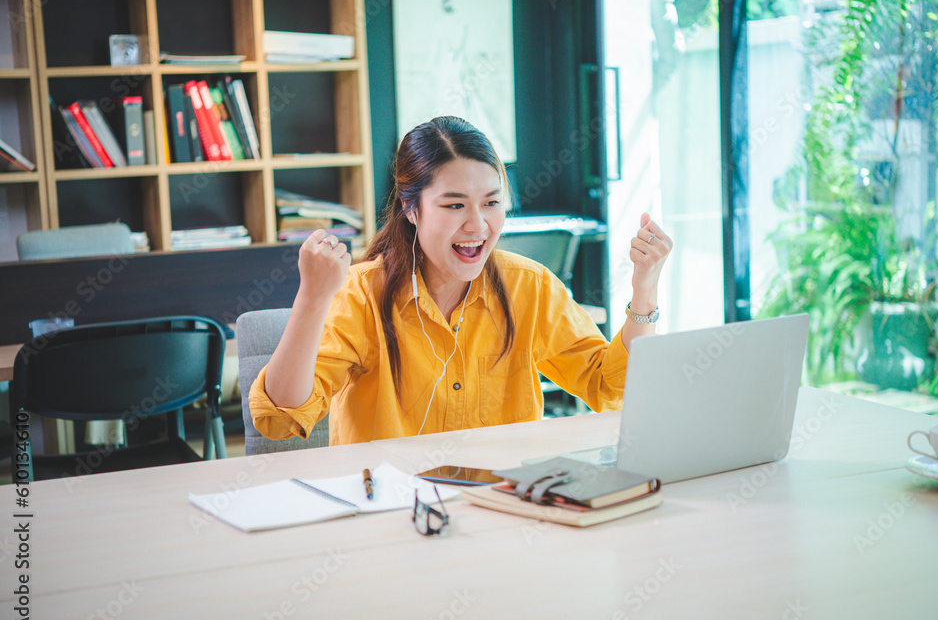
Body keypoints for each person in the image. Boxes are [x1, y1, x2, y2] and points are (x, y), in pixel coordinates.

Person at [250, 116, 672, 445]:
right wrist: (312, 297)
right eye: (454, 205)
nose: (478, 225)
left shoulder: (530, 287)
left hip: (503, 507)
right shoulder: (361, 294)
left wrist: (645, 288)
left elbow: (610, 388)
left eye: (491, 203)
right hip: (394, 514)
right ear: (411, 210)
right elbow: (279, 419)